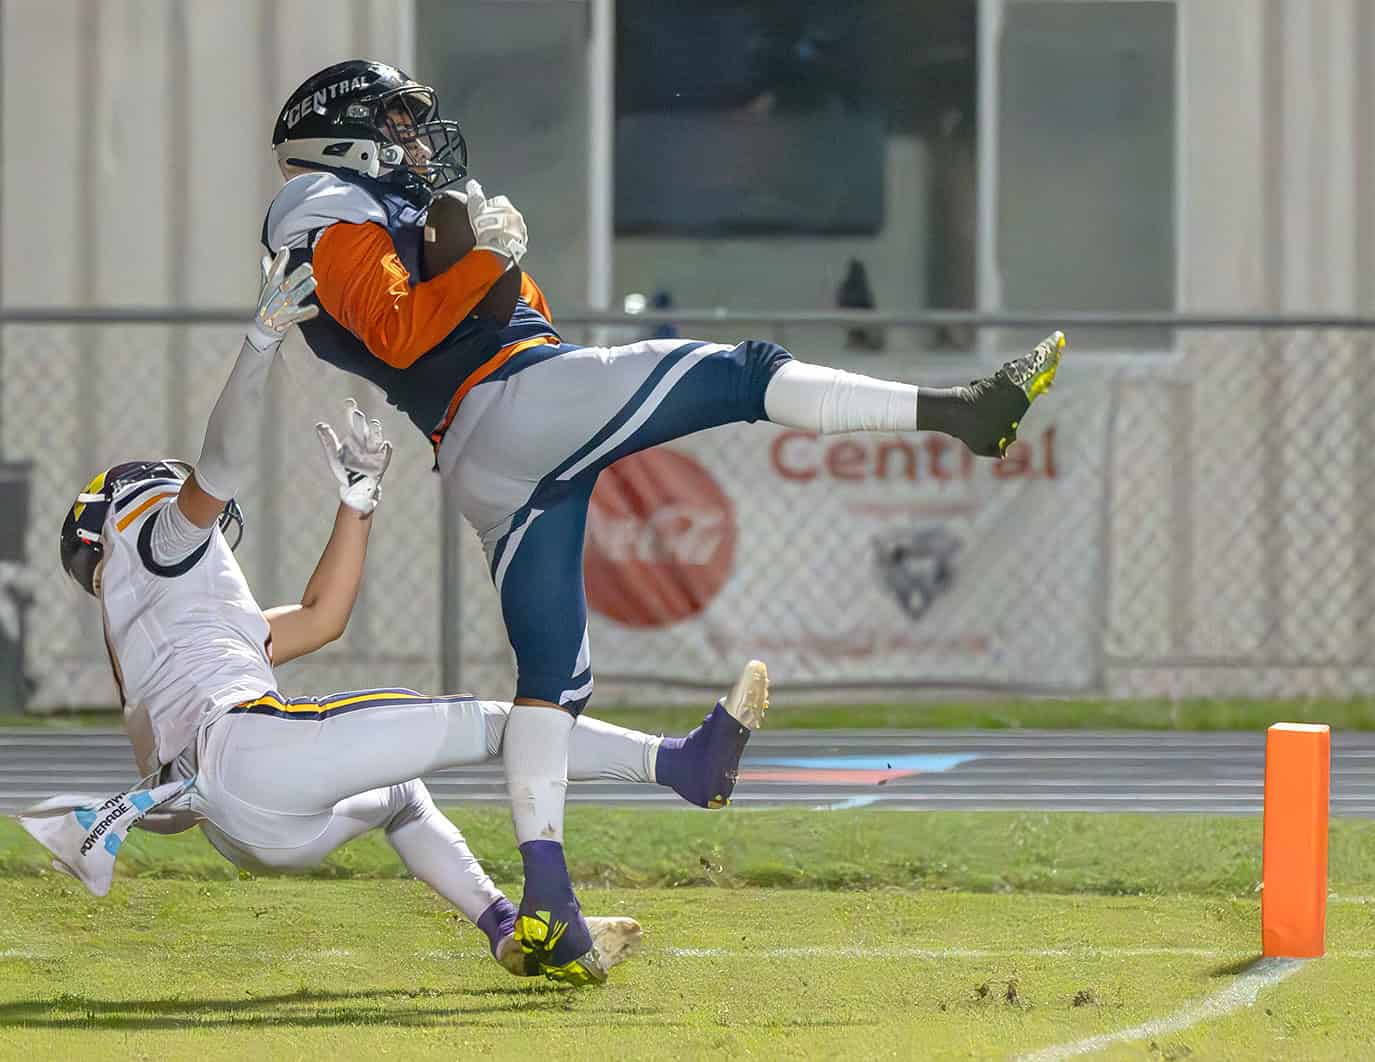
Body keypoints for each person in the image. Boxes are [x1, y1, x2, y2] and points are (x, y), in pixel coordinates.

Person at [263, 58, 1064, 983]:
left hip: (483, 441)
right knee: (743, 372)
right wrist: (483, 253)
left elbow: (497, 319)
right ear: (341, 134)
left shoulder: (387, 209)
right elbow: (401, 331)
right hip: (511, 404)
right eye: (395, 122)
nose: (413, 138)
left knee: (549, 688)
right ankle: (964, 410)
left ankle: (549, 909)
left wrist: (488, 258)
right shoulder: (319, 199)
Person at [19, 251, 769, 986]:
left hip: (241, 822)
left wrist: (356, 505)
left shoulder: (160, 625)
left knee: (405, 793)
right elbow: (220, 466)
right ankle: (679, 764)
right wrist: (259, 346)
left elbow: (321, 617)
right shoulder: (153, 543)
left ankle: (507, 928)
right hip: (248, 753)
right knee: (503, 722)